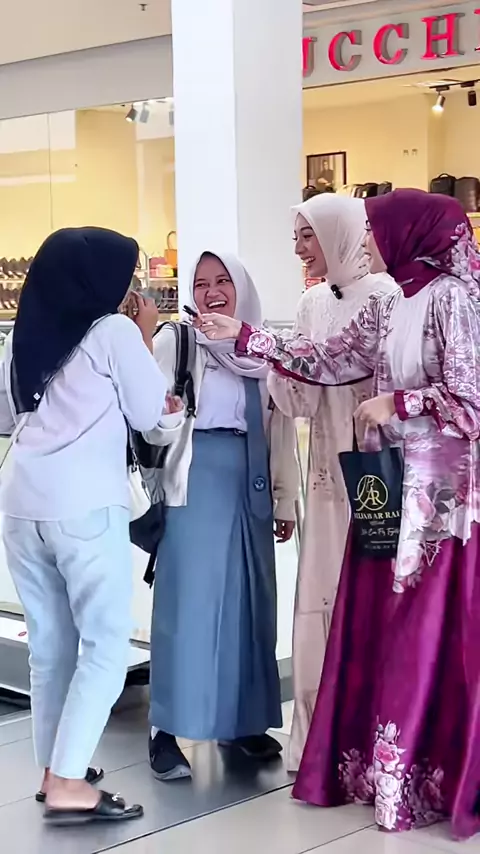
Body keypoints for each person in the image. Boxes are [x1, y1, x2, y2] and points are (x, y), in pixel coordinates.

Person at [196, 189, 480, 840]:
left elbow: (471, 403)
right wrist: (245, 336)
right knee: (381, 633)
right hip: (388, 492)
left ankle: (428, 777)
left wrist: (397, 404)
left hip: (438, 505)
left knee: (422, 638)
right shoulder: (396, 302)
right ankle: (386, 773)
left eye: (377, 230)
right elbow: (327, 360)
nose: (368, 242)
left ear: (408, 234)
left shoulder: (454, 299)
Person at [0, 227, 181, 826]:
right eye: (126, 275)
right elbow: (151, 416)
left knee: (50, 644)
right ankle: (68, 781)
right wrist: (147, 337)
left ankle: (55, 767)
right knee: (105, 643)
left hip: (21, 504)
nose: (131, 287)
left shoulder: (22, 336)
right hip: (83, 505)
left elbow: (6, 414)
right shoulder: (113, 332)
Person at [145, 250, 299, 781]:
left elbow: (281, 429)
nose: (212, 292)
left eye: (223, 282)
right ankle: (166, 731)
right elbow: (146, 418)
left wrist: (284, 498)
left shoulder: (260, 350)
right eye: (202, 283)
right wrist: (163, 416)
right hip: (195, 481)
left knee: (249, 604)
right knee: (189, 604)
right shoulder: (178, 342)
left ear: (241, 288)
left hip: (251, 479)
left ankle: (244, 722)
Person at [267, 194, 397, 771]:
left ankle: (377, 738)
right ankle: (319, 738)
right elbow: (300, 399)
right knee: (320, 592)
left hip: (377, 468)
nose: (299, 248)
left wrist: (284, 354)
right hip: (324, 472)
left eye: (308, 235)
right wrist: (281, 365)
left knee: (376, 595)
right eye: (297, 236)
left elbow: (382, 378)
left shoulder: (388, 297)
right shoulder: (311, 302)